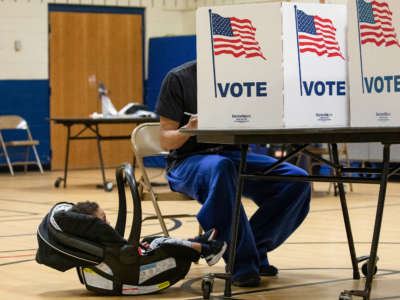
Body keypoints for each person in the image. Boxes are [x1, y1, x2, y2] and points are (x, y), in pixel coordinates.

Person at [155, 60, 312, 287]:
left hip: (232, 155)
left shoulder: (242, 77)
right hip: (186, 162)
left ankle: (253, 247)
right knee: (222, 168)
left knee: (296, 181)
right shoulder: (179, 77)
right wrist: (189, 130)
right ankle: (242, 263)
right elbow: (165, 139)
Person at [70, 201, 227, 266]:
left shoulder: (98, 238)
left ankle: (196, 242)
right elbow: (116, 251)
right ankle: (206, 249)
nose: (108, 223)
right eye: (103, 220)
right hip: (132, 264)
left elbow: (118, 245)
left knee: (153, 239)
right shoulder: (96, 240)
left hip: (133, 255)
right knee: (161, 244)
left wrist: (135, 245)